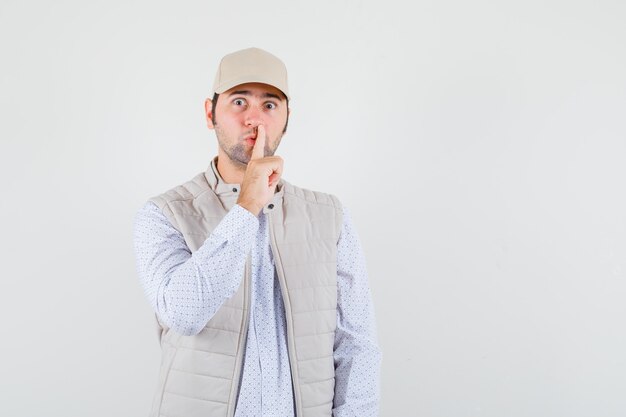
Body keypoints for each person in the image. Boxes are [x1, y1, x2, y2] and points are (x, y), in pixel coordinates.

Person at [133, 47, 381, 417]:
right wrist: (246, 206)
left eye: (269, 105)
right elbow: (184, 315)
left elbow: (356, 344)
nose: (255, 119)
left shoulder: (330, 216)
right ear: (209, 113)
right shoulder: (165, 214)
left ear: (286, 118)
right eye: (238, 101)